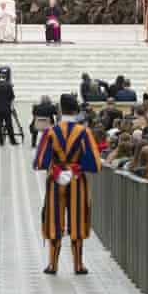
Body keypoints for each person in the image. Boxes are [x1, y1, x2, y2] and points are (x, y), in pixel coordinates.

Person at [34, 94, 101, 275]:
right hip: (77, 180)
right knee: (78, 219)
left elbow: (40, 161)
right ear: (76, 110)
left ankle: (52, 264)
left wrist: (55, 168)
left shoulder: (51, 131)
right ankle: (78, 264)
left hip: (56, 180)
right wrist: (77, 168)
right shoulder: (84, 132)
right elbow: (94, 163)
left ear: (60, 110)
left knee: (54, 219)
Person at [0, 70, 17, 145]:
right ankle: (12, 141)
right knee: (9, 125)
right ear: (5, 78)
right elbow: (12, 97)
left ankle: (1, 141)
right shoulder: (9, 86)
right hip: (7, 108)